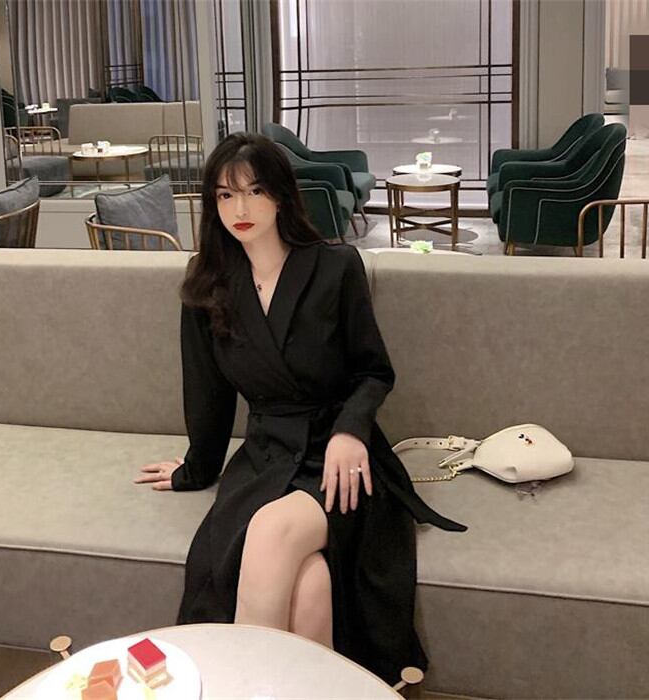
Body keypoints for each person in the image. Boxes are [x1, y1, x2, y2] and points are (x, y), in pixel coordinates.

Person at [135, 132, 466, 684]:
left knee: (269, 534)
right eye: (225, 195)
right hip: (266, 456)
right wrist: (195, 469)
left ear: (281, 195)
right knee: (310, 586)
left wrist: (350, 432)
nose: (240, 209)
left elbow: (374, 371)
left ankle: (235, 689)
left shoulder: (334, 267)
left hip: (343, 459)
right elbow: (208, 397)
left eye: (254, 191)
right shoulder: (207, 285)